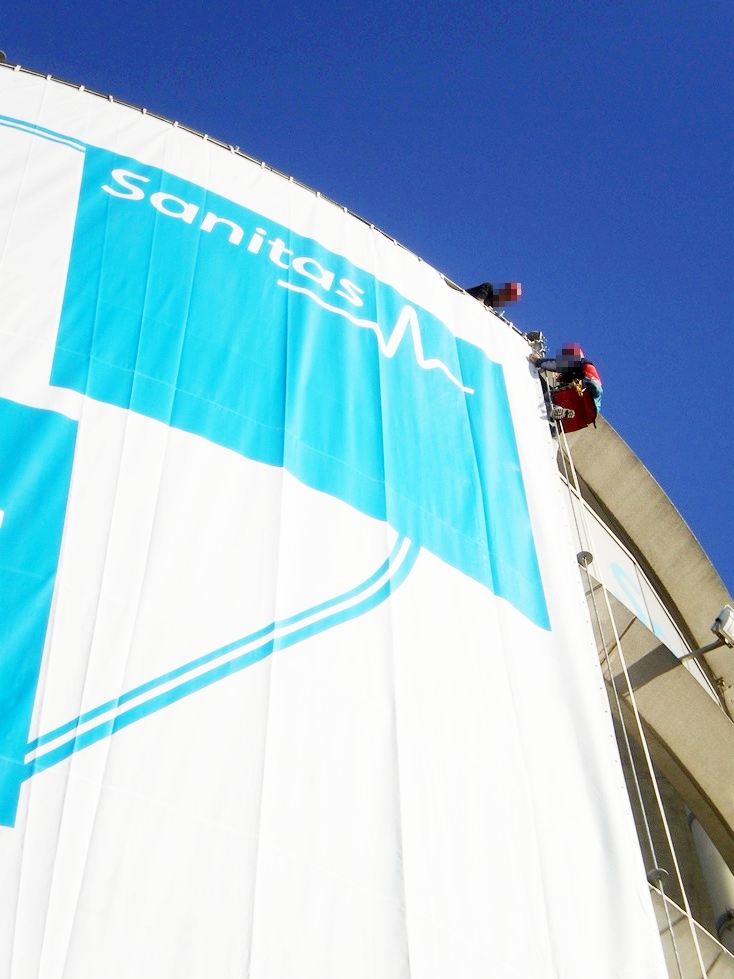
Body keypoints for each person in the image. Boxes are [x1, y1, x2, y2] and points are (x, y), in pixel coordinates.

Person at [529, 343, 603, 428]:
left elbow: (557, 364)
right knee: (563, 418)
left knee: (547, 396)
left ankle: (555, 409)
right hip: (590, 410)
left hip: (584, 391)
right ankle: (556, 424)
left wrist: (538, 361)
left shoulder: (579, 361)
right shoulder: (581, 368)